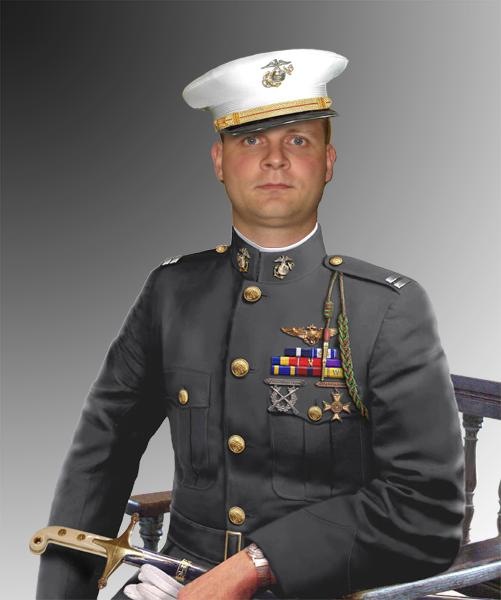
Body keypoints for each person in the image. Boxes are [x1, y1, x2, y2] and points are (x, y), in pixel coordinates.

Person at [36, 49, 465, 600]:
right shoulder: (171, 292)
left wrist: (254, 566)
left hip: (327, 588)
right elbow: (101, 454)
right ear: (219, 161)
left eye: (298, 140)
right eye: (251, 140)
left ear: (329, 162)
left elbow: (426, 509)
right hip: (176, 580)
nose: (275, 160)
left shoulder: (384, 308)